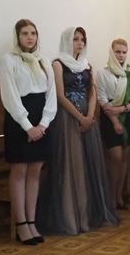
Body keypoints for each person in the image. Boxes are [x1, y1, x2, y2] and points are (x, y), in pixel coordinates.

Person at [37, 27, 119, 234]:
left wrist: (90, 116)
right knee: (72, 166)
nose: (80, 43)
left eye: (82, 39)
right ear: (67, 40)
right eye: (75, 39)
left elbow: (92, 92)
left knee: (87, 164)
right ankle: (71, 218)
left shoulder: (87, 65)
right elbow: (60, 95)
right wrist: (80, 117)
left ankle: (86, 215)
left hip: (87, 119)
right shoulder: (58, 64)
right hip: (66, 119)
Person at [0, 19, 57, 245]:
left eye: (33, 33)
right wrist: (27, 126)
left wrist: (43, 124)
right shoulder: (8, 60)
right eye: (25, 33)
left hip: (41, 121)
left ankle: (32, 221)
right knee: (20, 171)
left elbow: (51, 95)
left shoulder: (44, 61)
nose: (30, 37)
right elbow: (10, 96)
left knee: (35, 172)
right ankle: (21, 223)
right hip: (19, 121)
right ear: (17, 37)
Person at [97, 38, 130, 210]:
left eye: (124, 52)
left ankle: (118, 195)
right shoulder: (103, 73)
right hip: (109, 117)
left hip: (127, 115)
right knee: (115, 156)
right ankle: (109, 195)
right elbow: (102, 99)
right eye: (117, 52)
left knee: (125, 157)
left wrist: (122, 109)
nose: (121, 55)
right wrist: (115, 120)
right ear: (111, 52)